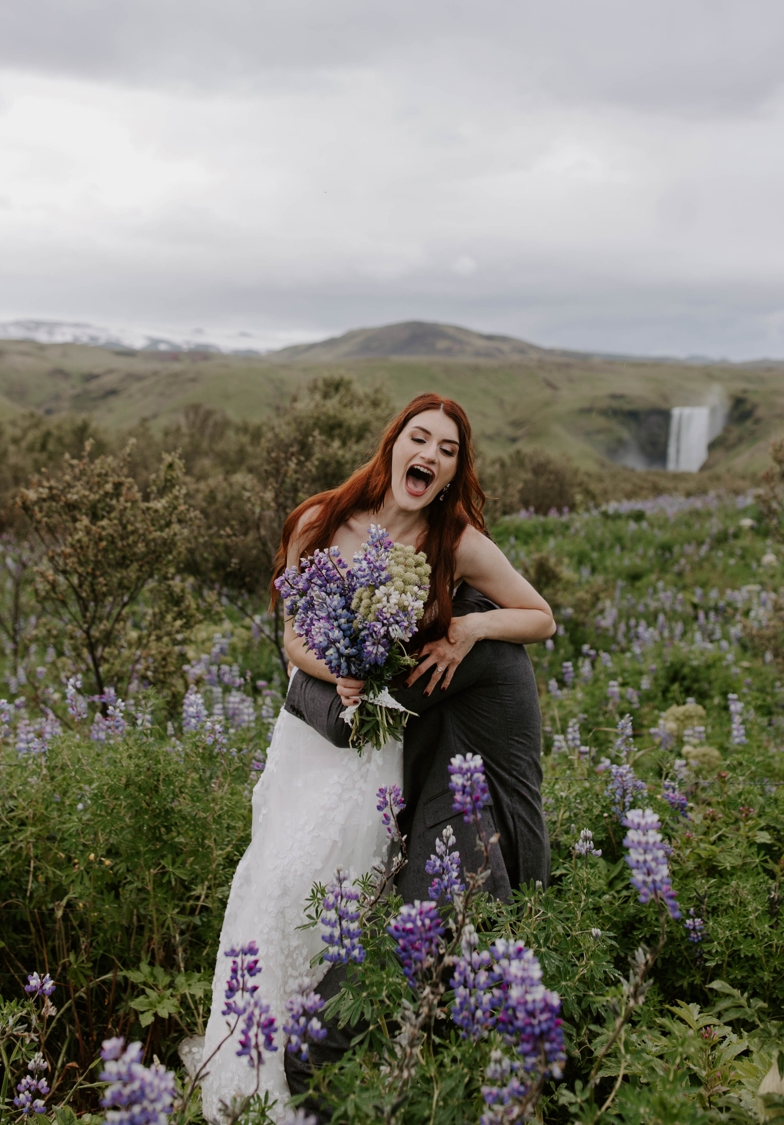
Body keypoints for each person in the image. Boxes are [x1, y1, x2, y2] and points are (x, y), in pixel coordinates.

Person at [199, 394, 554, 1120]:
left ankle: (326, 1071)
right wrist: (340, 676)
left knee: (353, 890)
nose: (430, 454)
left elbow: (541, 616)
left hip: (380, 751)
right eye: (419, 438)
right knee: (281, 879)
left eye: (447, 449)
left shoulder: (454, 540)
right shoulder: (320, 520)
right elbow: (293, 639)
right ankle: (250, 1074)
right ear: (393, 446)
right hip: (312, 739)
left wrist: (471, 629)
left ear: (454, 472)